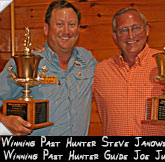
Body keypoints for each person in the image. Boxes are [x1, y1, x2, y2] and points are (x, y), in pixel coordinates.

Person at [0, 0, 97, 136]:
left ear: (78, 29)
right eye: (59, 24)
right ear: (46, 29)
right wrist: (4, 122)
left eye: (72, 25)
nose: (66, 31)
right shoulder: (25, 64)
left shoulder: (88, 61)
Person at [93, 8, 165, 136]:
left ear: (147, 30)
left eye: (136, 28)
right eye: (123, 30)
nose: (131, 35)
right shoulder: (100, 71)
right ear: (115, 37)